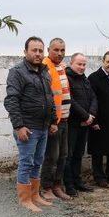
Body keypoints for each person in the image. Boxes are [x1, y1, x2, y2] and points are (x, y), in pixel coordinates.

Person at [3, 36, 56, 213]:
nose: (38, 54)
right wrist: (19, 126)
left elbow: (50, 99)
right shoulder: (17, 72)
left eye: (41, 51)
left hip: (43, 127)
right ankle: (25, 199)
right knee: (27, 162)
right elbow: (11, 100)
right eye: (34, 50)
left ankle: (35, 195)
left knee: (38, 162)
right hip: (28, 127)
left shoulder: (44, 73)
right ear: (25, 51)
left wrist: (53, 121)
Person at [40, 38, 72, 201]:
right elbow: (47, 97)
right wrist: (52, 121)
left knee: (63, 155)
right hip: (54, 122)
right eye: (56, 50)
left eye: (63, 50)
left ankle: (57, 186)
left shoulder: (61, 67)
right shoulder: (45, 68)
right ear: (48, 50)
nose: (60, 53)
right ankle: (46, 188)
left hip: (64, 120)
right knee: (52, 156)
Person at [63, 53, 97, 196]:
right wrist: (85, 115)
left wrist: (91, 115)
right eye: (79, 64)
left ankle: (78, 181)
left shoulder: (85, 79)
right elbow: (70, 100)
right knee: (69, 155)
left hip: (85, 123)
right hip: (72, 123)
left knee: (78, 154)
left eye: (84, 64)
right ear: (71, 63)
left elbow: (93, 97)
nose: (82, 67)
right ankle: (69, 185)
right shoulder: (67, 78)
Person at [88, 51, 109, 187]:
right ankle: (99, 177)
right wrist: (94, 121)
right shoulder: (94, 78)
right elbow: (91, 100)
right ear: (103, 61)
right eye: (108, 62)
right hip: (99, 121)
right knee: (98, 151)